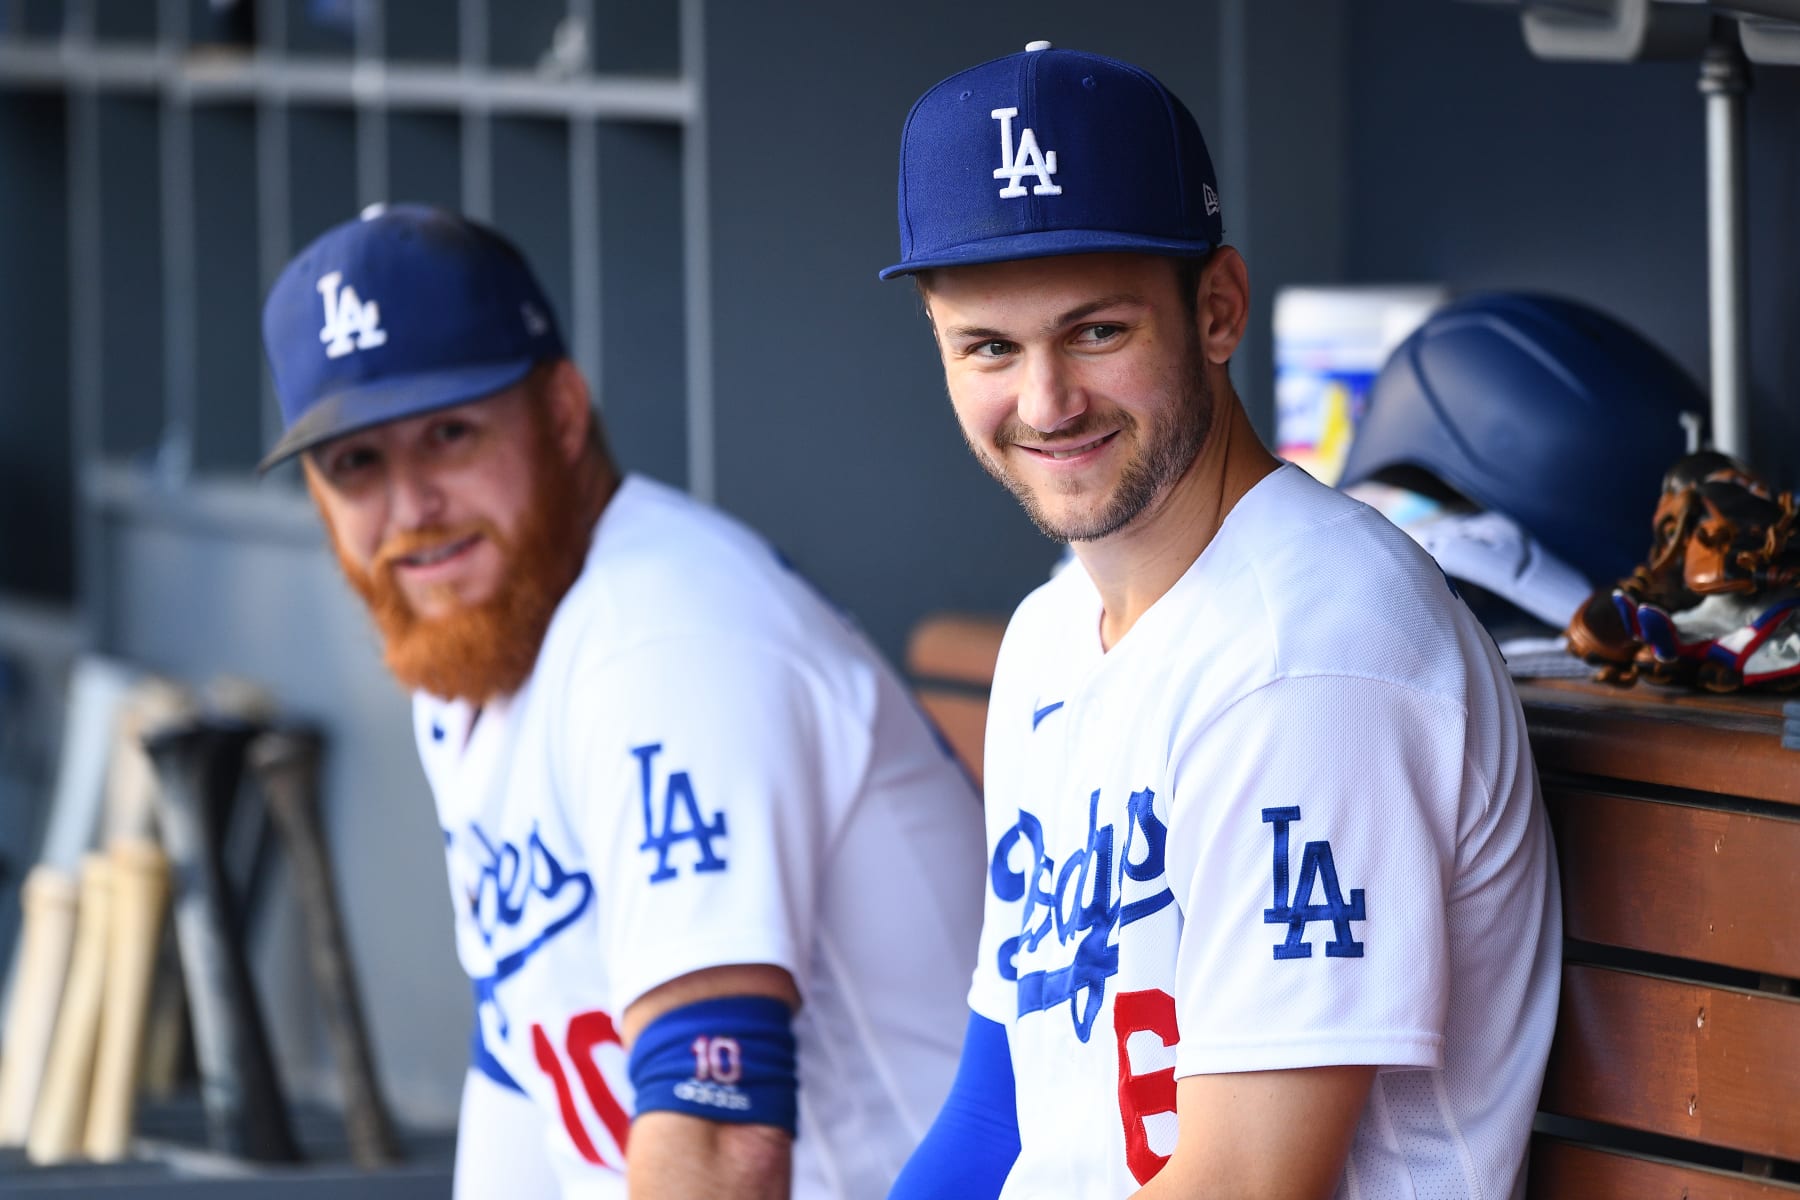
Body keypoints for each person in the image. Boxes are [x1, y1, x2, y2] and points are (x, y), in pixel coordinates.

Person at [881, 43, 1562, 1200]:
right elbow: (1001, 1106)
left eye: (1096, 332)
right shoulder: (1055, 633)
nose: (1044, 405)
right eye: (990, 347)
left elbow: (1248, 1187)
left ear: (1218, 309)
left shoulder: (1317, 656)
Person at [257, 203, 984, 1199]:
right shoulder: (477, 640)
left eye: (451, 434)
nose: (412, 506)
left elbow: (724, 1143)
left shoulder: (665, 645)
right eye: (357, 465)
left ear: (561, 412)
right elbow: (523, 1071)